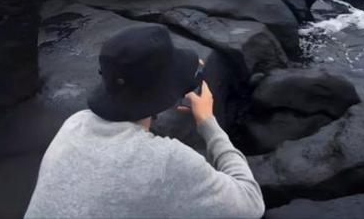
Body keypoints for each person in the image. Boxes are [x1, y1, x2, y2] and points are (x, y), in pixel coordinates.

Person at [25, 24, 265, 219]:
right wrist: (208, 122)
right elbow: (251, 203)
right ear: (167, 89)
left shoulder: (74, 125)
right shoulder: (165, 162)